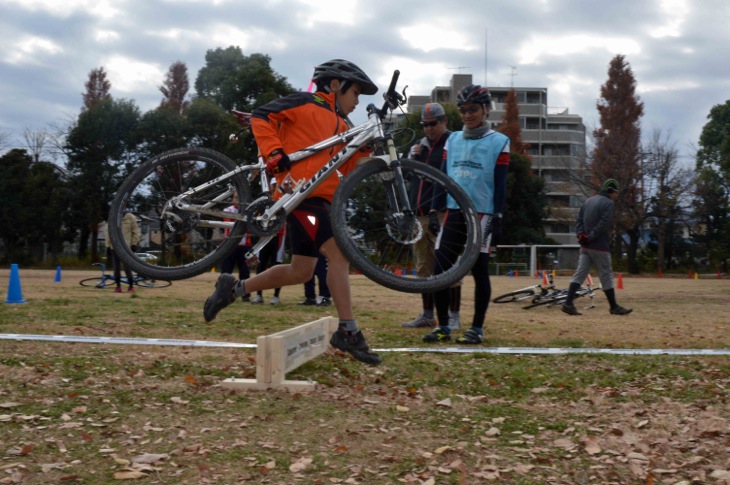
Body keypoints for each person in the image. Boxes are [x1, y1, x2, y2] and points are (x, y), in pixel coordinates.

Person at [203, 59, 381, 365]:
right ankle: (348, 331)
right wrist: (274, 154)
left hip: (321, 199)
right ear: (335, 85)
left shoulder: (342, 125)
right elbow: (262, 116)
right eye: (355, 93)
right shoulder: (306, 101)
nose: (357, 101)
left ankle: (233, 289)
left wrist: (367, 151)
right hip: (298, 196)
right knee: (339, 255)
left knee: (302, 271)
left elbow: (346, 166)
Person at [422, 85, 510, 345]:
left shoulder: (500, 141)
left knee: (479, 271)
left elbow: (501, 183)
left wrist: (499, 217)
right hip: (452, 211)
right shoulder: (453, 140)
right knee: (439, 271)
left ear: (486, 109)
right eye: (463, 111)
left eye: (473, 110)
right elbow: (441, 178)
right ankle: (444, 327)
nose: (468, 115)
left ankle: (476, 329)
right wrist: (434, 211)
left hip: (481, 214)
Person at [401, 102, 462, 330]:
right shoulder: (419, 146)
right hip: (419, 215)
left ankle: (454, 316)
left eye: (433, 123)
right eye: (425, 124)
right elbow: (408, 177)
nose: (428, 128)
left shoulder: (454, 143)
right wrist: (412, 159)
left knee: (449, 266)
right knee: (424, 268)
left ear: (444, 121)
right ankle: (427, 314)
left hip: (444, 212)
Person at [561, 178, 633, 316]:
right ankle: (614, 307)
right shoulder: (608, 203)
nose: (615, 195)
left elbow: (579, 221)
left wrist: (581, 235)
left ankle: (568, 303)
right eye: (615, 192)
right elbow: (603, 223)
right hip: (599, 246)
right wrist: (591, 237)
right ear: (611, 191)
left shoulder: (588, 201)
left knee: (580, 274)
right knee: (606, 275)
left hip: (585, 247)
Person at [250, 178, 286, 305]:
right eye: (273, 185)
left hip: (279, 236)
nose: (275, 187)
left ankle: (276, 296)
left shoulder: (284, 198)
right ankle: (259, 295)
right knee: (261, 266)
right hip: (264, 236)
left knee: (277, 266)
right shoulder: (264, 201)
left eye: (277, 185)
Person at [221, 197, 252, 302]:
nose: (238, 200)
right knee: (226, 270)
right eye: (236, 198)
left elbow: (249, 226)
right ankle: (223, 293)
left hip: (244, 245)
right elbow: (231, 224)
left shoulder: (248, 210)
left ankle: (245, 294)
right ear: (232, 199)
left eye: (240, 198)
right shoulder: (227, 210)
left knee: (244, 272)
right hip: (230, 244)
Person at [104, 210, 141, 293]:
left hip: (126, 248)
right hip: (115, 247)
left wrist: (134, 244)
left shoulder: (131, 217)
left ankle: (131, 287)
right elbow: (107, 232)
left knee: (127, 268)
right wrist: (108, 246)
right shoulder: (112, 218)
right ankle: (118, 287)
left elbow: (136, 231)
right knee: (116, 268)